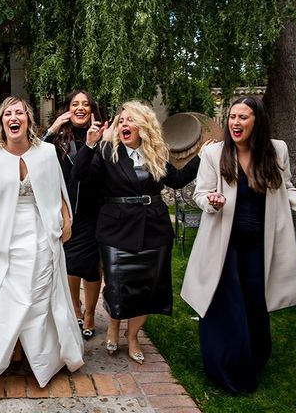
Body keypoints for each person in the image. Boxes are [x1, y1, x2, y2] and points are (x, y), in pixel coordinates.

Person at [181, 96, 296, 395]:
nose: (235, 123)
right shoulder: (215, 154)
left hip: (259, 247)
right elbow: (199, 193)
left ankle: (253, 358)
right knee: (226, 308)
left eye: (243, 117)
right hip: (223, 247)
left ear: (257, 121)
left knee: (254, 306)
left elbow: (287, 188)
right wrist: (211, 201)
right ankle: (226, 369)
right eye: (232, 117)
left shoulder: (276, 150)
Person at [73, 100, 205, 364]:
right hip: (116, 230)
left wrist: (201, 157)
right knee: (117, 287)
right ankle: (113, 328)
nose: (124, 124)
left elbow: (177, 180)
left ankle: (132, 337)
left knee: (147, 289)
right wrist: (90, 144)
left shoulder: (155, 152)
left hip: (153, 229)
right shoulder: (107, 151)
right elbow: (81, 176)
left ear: (143, 125)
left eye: (130, 120)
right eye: (121, 121)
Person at [0, 96, 84, 390]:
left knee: (38, 295)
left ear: (28, 120)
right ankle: (12, 352)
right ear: (2, 122)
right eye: (8, 113)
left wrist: (66, 220)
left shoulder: (46, 153)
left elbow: (58, 189)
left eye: (19, 112)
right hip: (4, 237)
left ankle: (42, 359)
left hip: (39, 232)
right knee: (10, 297)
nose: (14, 117)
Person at [42, 89, 103, 339]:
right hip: (63, 208)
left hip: (93, 209)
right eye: (75, 104)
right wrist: (53, 128)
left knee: (91, 266)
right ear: (67, 109)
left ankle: (89, 313)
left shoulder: (102, 136)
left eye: (85, 104)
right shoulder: (58, 140)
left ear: (92, 109)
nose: (80, 108)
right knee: (69, 262)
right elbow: (35, 157)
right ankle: (75, 309)